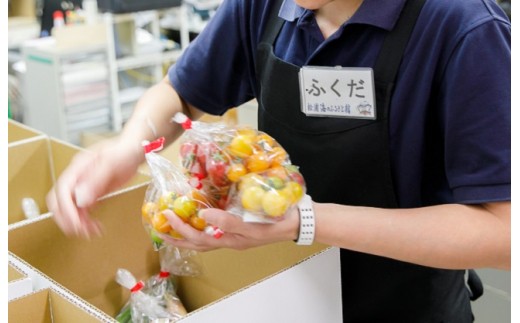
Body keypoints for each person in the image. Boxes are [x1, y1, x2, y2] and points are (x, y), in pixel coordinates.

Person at [46, 0, 511, 321]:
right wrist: (130, 146)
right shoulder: (266, 7)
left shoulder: (464, 26)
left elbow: (503, 234)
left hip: (404, 308)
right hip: (286, 298)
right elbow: (181, 94)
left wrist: (306, 222)